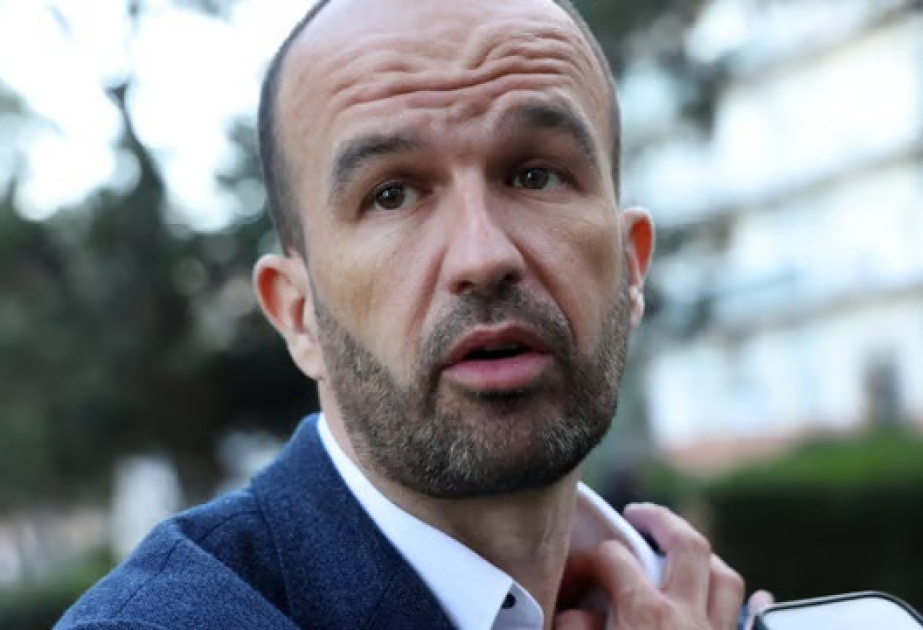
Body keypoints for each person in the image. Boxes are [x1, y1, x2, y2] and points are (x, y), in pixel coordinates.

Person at [58, 0, 772, 628]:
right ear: (299, 315)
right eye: (391, 194)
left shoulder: (701, 611)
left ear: (631, 268)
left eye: (535, 174)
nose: (483, 257)